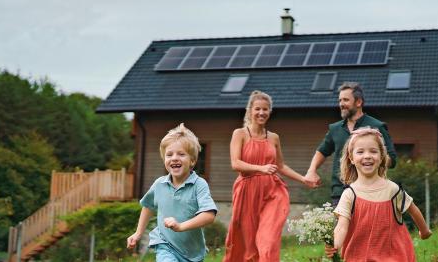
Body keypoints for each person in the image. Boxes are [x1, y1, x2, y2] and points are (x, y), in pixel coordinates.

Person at [224, 90, 319, 262]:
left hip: (272, 192)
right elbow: (235, 163)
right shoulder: (240, 134)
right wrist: (260, 168)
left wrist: (303, 179)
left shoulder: (274, 137)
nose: (261, 113)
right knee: (248, 247)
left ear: (270, 112)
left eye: (265, 109)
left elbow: (280, 166)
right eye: (258, 109)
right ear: (250, 110)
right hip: (247, 192)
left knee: (268, 242)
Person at [325, 127, 432, 261]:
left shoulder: (392, 190)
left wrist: (424, 231)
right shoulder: (349, 194)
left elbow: (413, 209)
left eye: (373, 151)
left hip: (393, 256)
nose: (367, 156)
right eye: (360, 151)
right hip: (359, 256)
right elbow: (341, 226)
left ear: (382, 157)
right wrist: (335, 245)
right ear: (351, 158)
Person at [126, 123, 218, 262]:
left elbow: (209, 215)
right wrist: (138, 233)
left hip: (192, 252)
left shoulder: (199, 184)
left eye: (181, 154)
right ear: (165, 160)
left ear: (192, 160)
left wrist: (181, 226)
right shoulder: (159, 184)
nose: (174, 158)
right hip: (165, 245)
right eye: (169, 154)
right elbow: (148, 206)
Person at [304, 82, 398, 205]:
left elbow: (392, 159)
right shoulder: (335, 129)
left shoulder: (377, 126)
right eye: (340, 100)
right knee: (341, 225)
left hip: (370, 190)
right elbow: (322, 151)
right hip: (340, 192)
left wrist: (372, 160)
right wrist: (312, 170)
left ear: (358, 102)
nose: (341, 104)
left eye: (346, 100)